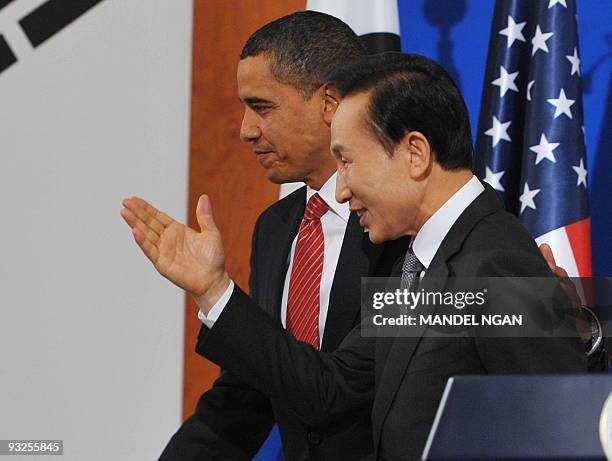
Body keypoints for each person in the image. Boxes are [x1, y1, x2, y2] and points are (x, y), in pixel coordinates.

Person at [121, 53, 588, 460]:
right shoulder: (420, 261)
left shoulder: (495, 262)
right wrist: (212, 289)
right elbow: (337, 384)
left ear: (415, 154)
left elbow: (559, 437)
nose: (340, 190)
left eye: (347, 161)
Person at [141, 11, 405, 461]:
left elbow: (338, 391)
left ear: (330, 103)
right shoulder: (277, 227)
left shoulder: (404, 223)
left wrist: (216, 292)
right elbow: (251, 392)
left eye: (262, 107)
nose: (246, 130)